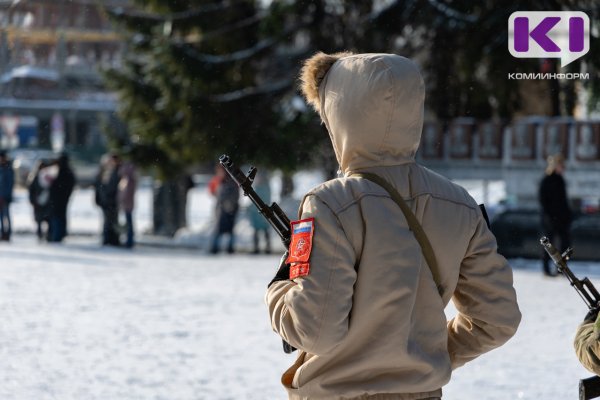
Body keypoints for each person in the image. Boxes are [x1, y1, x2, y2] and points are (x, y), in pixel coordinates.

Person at [265, 52, 521, 399]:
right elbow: (498, 318)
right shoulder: (459, 204)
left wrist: (278, 290)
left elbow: (315, 331)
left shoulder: (329, 203)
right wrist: (421, 360)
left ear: (339, 113)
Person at [538, 153, 573, 276]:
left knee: (565, 244)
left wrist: (567, 214)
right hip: (550, 218)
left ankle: (561, 269)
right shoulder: (546, 180)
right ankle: (546, 269)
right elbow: (543, 200)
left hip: (561, 218)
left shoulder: (560, 180)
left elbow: (563, 200)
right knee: (549, 245)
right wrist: (550, 216)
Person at [209, 169, 240, 254]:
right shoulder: (225, 182)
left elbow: (226, 197)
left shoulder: (227, 183)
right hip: (227, 210)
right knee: (224, 230)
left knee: (220, 230)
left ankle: (218, 247)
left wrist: (227, 206)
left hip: (226, 211)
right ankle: (224, 247)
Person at [47, 153, 76, 243]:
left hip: (58, 199)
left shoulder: (61, 172)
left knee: (57, 217)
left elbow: (57, 186)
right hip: (62, 199)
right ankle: (59, 234)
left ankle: (57, 236)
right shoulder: (68, 172)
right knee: (61, 216)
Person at [94, 153, 121, 246]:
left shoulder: (114, 172)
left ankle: (111, 238)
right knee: (108, 221)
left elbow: (110, 187)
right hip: (106, 201)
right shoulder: (105, 172)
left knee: (111, 221)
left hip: (111, 200)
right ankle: (108, 238)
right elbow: (101, 187)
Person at [27, 159, 55, 240]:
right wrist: (33, 200)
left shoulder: (49, 176)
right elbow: (31, 190)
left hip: (47, 202)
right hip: (38, 202)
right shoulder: (35, 177)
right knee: (39, 220)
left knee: (48, 219)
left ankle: (49, 235)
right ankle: (40, 235)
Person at [248, 170, 271, 254]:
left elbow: (265, 199)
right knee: (257, 231)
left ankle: (267, 247)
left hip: (262, 211)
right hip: (256, 212)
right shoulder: (258, 187)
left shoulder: (265, 188)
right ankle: (256, 247)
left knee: (265, 230)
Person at [118, 160, 137, 248]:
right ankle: (129, 239)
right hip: (129, 203)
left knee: (128, 223)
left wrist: (120, 201)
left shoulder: (127, 180)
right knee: (129, 223)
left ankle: (129, 240)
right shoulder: (131, 179)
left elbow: (124, 193)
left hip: (127, 204)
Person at [0, 150, 14, 241]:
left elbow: (9, 184)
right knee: (1, 216)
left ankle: (7, 233)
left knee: (6, 216)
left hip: (5, 197)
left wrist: (5, 196)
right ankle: (3, 232)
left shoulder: (8, 169)